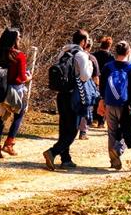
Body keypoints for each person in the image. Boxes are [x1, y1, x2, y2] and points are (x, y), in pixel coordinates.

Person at [43, 29, 94, 171]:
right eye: (87, 40)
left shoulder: (64, 52)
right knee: (72, 130)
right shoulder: (82, 55)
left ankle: (66, 159)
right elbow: (84, 76)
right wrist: (89, 65)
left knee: (63, 127)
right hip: (74, 95)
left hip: (61, 94)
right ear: (83, 41)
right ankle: (53, 152)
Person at [0, 28, 31, 159]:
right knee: (19, 114)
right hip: (15, 91)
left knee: (0, 119)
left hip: (0, 89)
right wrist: (29, 77)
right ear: (14, 39)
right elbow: (22, 77)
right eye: (19, 37)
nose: (20, 39)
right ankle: (9, 143)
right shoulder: (19, 55)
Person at [98, 41, 131, 171]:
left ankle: (113, 160)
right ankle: (118, 150)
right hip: (126, 105)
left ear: (115, 52)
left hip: (110, 103)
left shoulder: (107, 67)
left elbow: (102, 85)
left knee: (112, 131)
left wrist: (102, 101)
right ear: (128, 52)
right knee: (129, 130)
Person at [78, 37, 100, 141]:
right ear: (90, 47)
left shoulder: (75, 56)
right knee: (86, 108)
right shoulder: (91, 58)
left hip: (74, 85)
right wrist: (97, 88)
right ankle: (83, 131)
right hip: (87, 86)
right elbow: (95, 76)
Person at [91, 36, 114, 127]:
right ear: (109, 46)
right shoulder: (111, 57)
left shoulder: (94, 55)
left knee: (95, 99)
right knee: (104, 99)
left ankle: (94, 119)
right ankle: (101, 121)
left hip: (95, 78)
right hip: (106, 80)